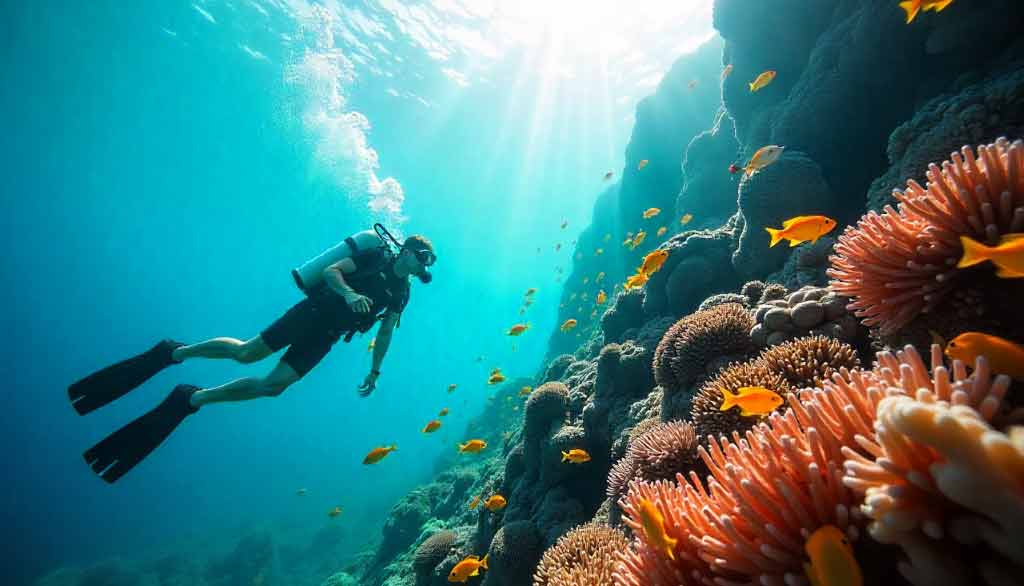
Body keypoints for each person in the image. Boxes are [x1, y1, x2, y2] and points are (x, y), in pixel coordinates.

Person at [68, 228, 436, 483]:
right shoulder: (374, 256)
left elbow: (386, 331)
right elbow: (331, 270)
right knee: (246, 354)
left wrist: (375, 371)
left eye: (428, 263)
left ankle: (192, 398)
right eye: (422, 257)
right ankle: (176, 352)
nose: (423, 266)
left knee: (274, 386)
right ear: (405, 249)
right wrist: (348, 295)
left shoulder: (403, 294)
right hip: (312, 313)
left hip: (326, 336)